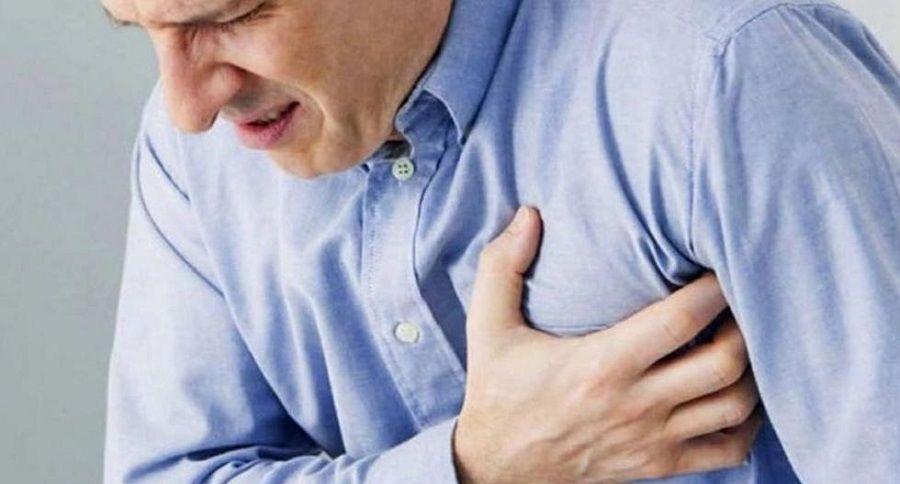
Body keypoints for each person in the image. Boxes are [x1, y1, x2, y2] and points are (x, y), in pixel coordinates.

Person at [101, 0, 900, 482]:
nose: (187, 108)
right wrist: (478, 465)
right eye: (139, 28)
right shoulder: (192, 159)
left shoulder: (723, 70)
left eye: (232, 17)